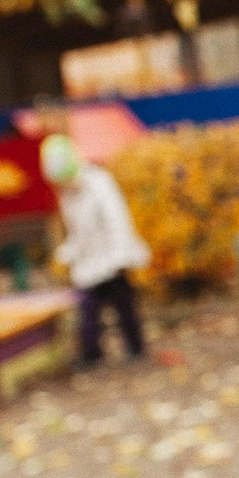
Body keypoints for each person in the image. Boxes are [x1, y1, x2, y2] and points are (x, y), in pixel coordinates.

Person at [42, 134, 149, 365]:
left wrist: (121, 256)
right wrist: (67, 253)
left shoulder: (99, 183)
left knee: (124, 305)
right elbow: (78, 232)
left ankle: (136, 347)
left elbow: (117, 221)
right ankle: (92, 352)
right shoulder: (68, 195)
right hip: (89, 263)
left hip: (113, 258)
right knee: (88, 310)